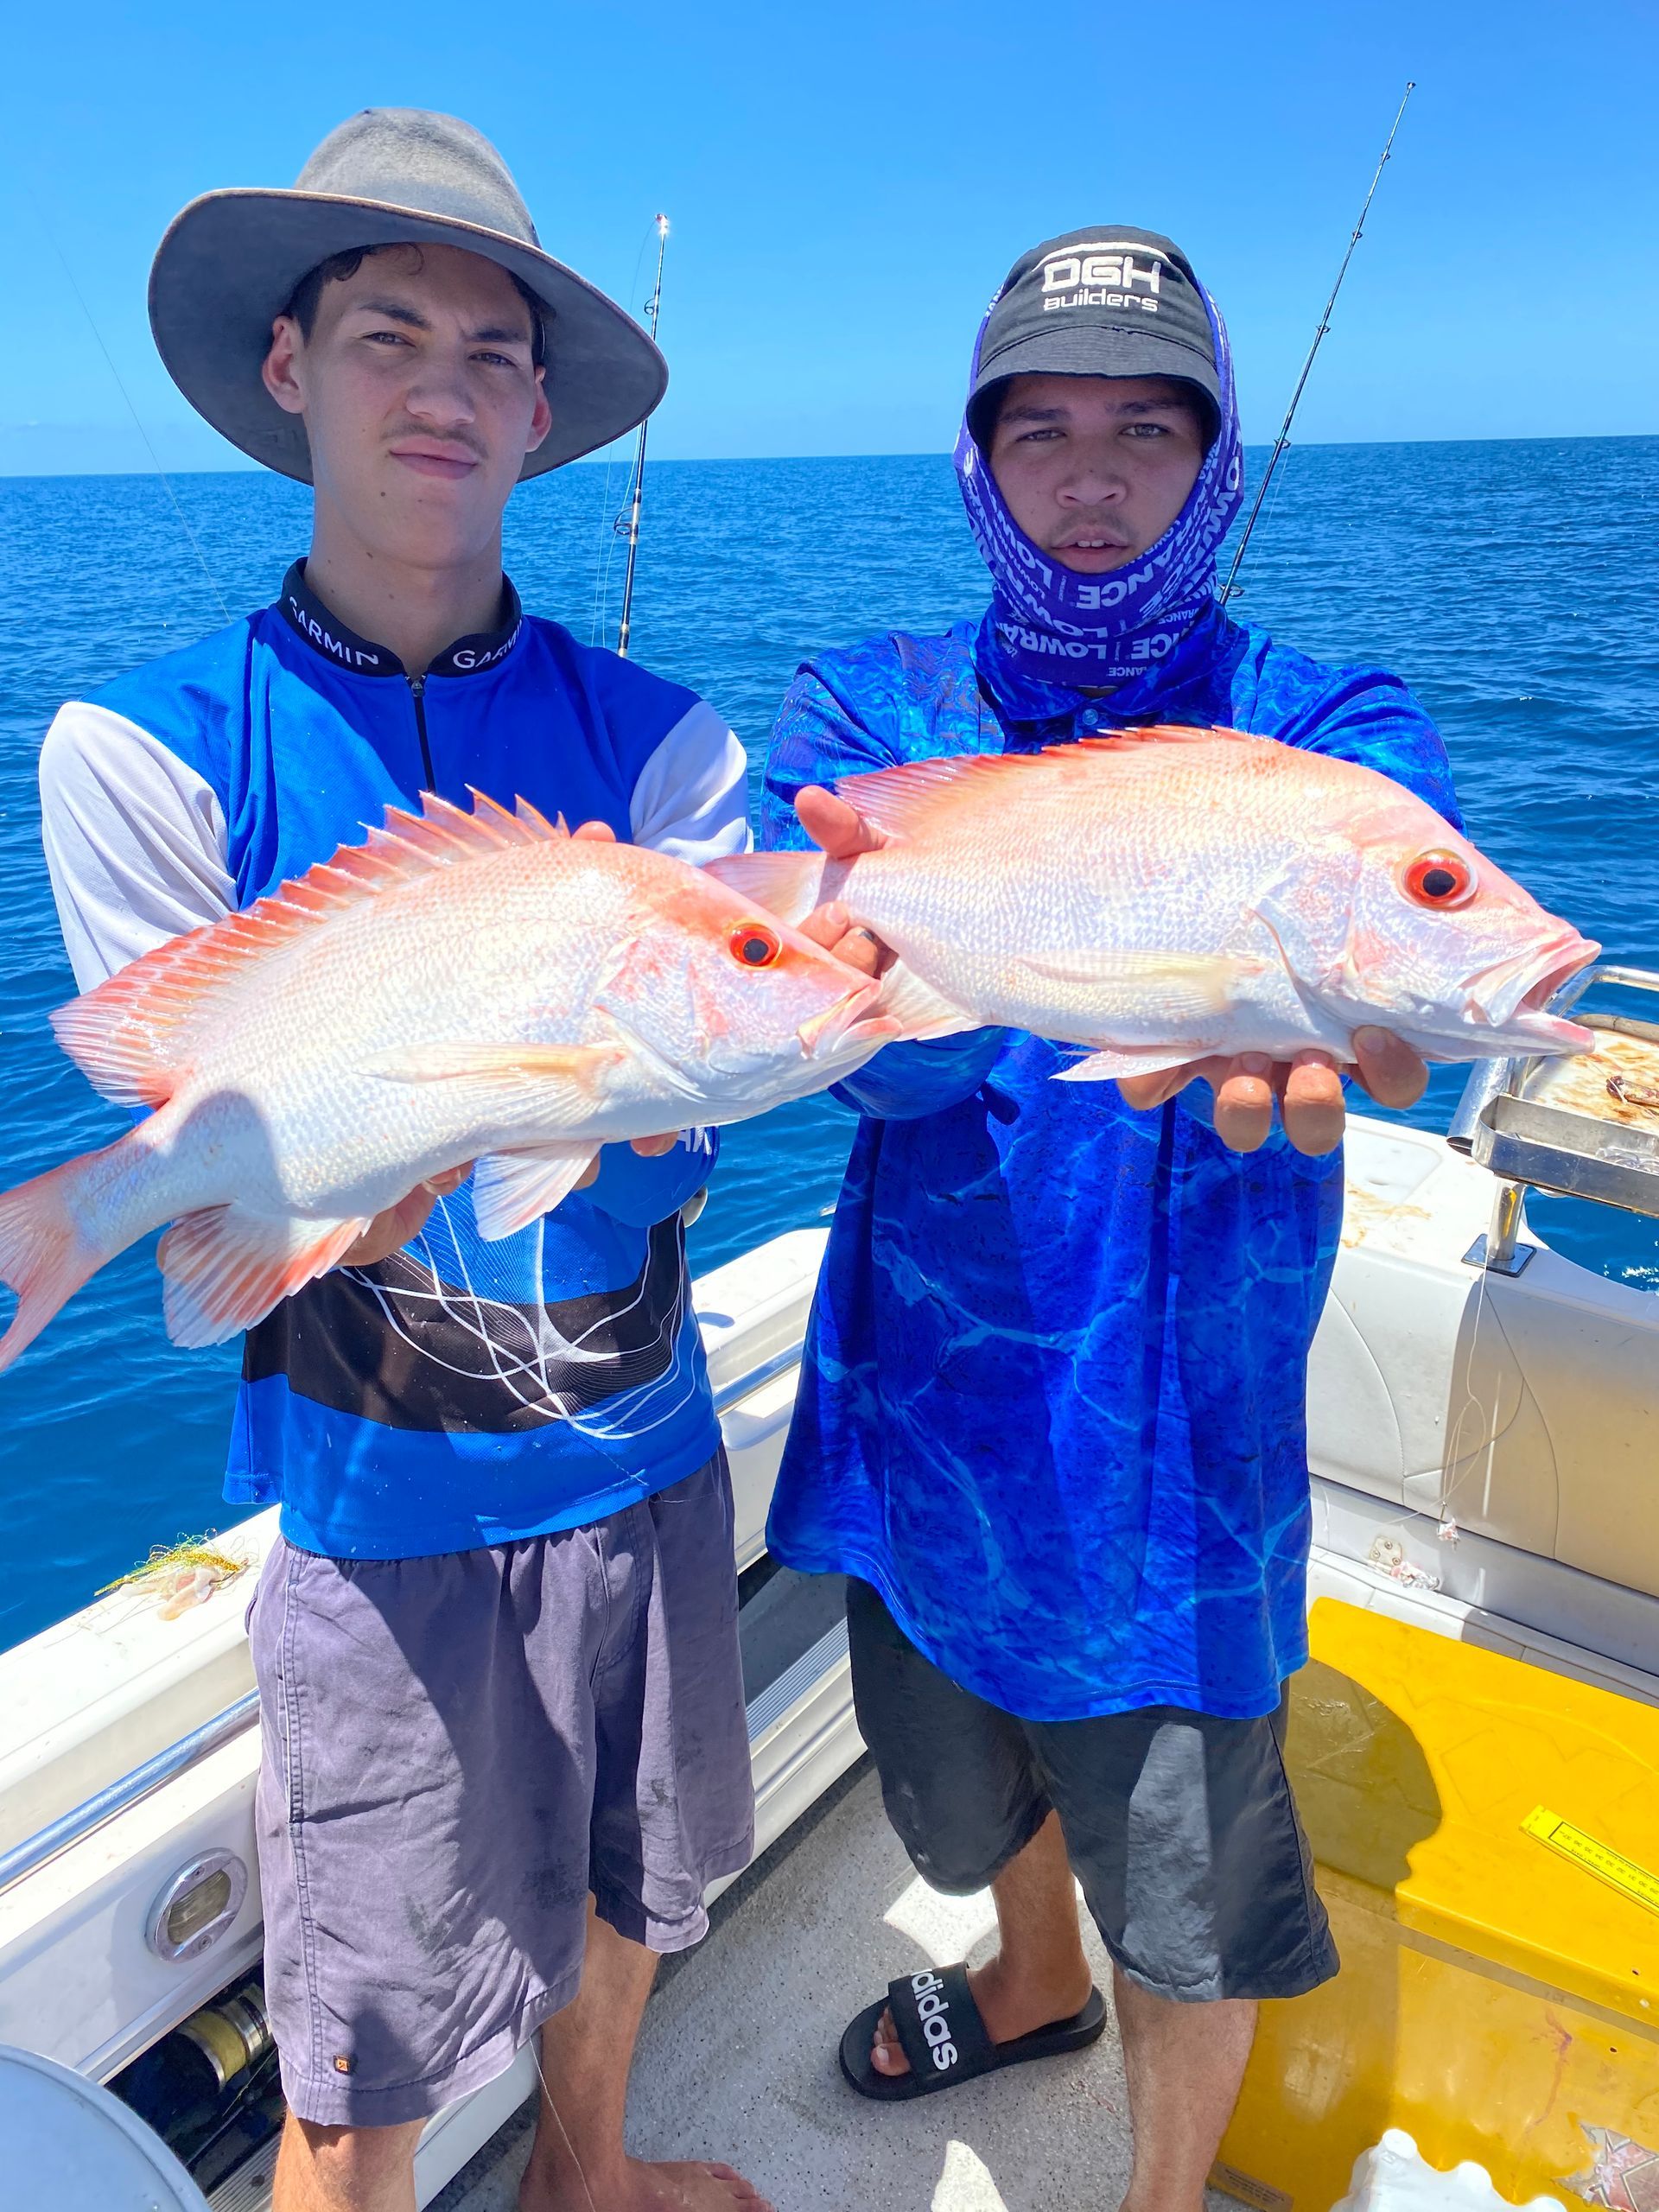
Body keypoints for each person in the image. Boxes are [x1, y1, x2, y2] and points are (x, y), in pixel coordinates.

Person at [40, 110, 769, 2212]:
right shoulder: (142, 746)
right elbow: (233, 1147)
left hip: (642, 1449)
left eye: (486, 350)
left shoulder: (669, 746)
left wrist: (607, 1086)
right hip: (369, 1513)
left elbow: (673, 1142)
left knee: (640, 1901)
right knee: (353, 2050)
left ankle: (588, 2173)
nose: (439, 385)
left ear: (542, 411)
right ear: (290, 368)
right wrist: (538, 1077)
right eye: (386, 335)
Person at [758, 227, 1458, 2209]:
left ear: (1215, 457)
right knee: (961, 1777)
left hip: (1176, 1431)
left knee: (1194, 1881)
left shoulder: (1327, 733)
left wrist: (1377, 1014)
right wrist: (866, 1003)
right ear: (978, 458)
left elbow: (1410, 968)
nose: (1090, 477)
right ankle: (1032, 1976)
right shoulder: (863, 716)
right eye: (1040, 427)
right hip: (927, 1400)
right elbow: (852, 1050)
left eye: (1147, 430)